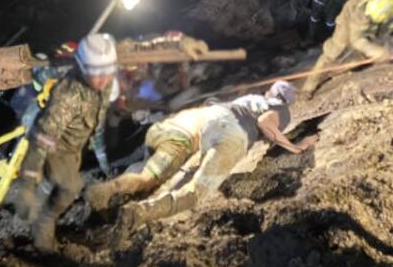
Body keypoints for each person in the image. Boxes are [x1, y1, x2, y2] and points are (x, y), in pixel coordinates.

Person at [85, 81, 309, 230]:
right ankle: (137, 214)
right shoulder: (282, 110)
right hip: (235, 132)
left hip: (211, 116)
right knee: (195, 192)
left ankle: (106, 189)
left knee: (159, 174)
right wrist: (295, 146)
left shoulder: (252, 97)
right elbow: (264, 123)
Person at [16, 33, 117, 252]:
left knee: (62, 183)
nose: (102, 79)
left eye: (106, 72)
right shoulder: (68, 96)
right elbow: (42, 138)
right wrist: (27, 184)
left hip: (77, 146)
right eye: (94, 72)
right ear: (81, 67)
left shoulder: (104, 79)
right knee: (71, 187)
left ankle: (44, 195)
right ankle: (43, 226)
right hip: (58, 148)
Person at [302, 0, 393, 97]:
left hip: (382, 23)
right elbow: (357, 40)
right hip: (350, 15)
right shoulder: (360, 10)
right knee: (334, 50)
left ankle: (358, 62)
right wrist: (374, 51)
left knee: (379, 44)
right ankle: (309, 86)